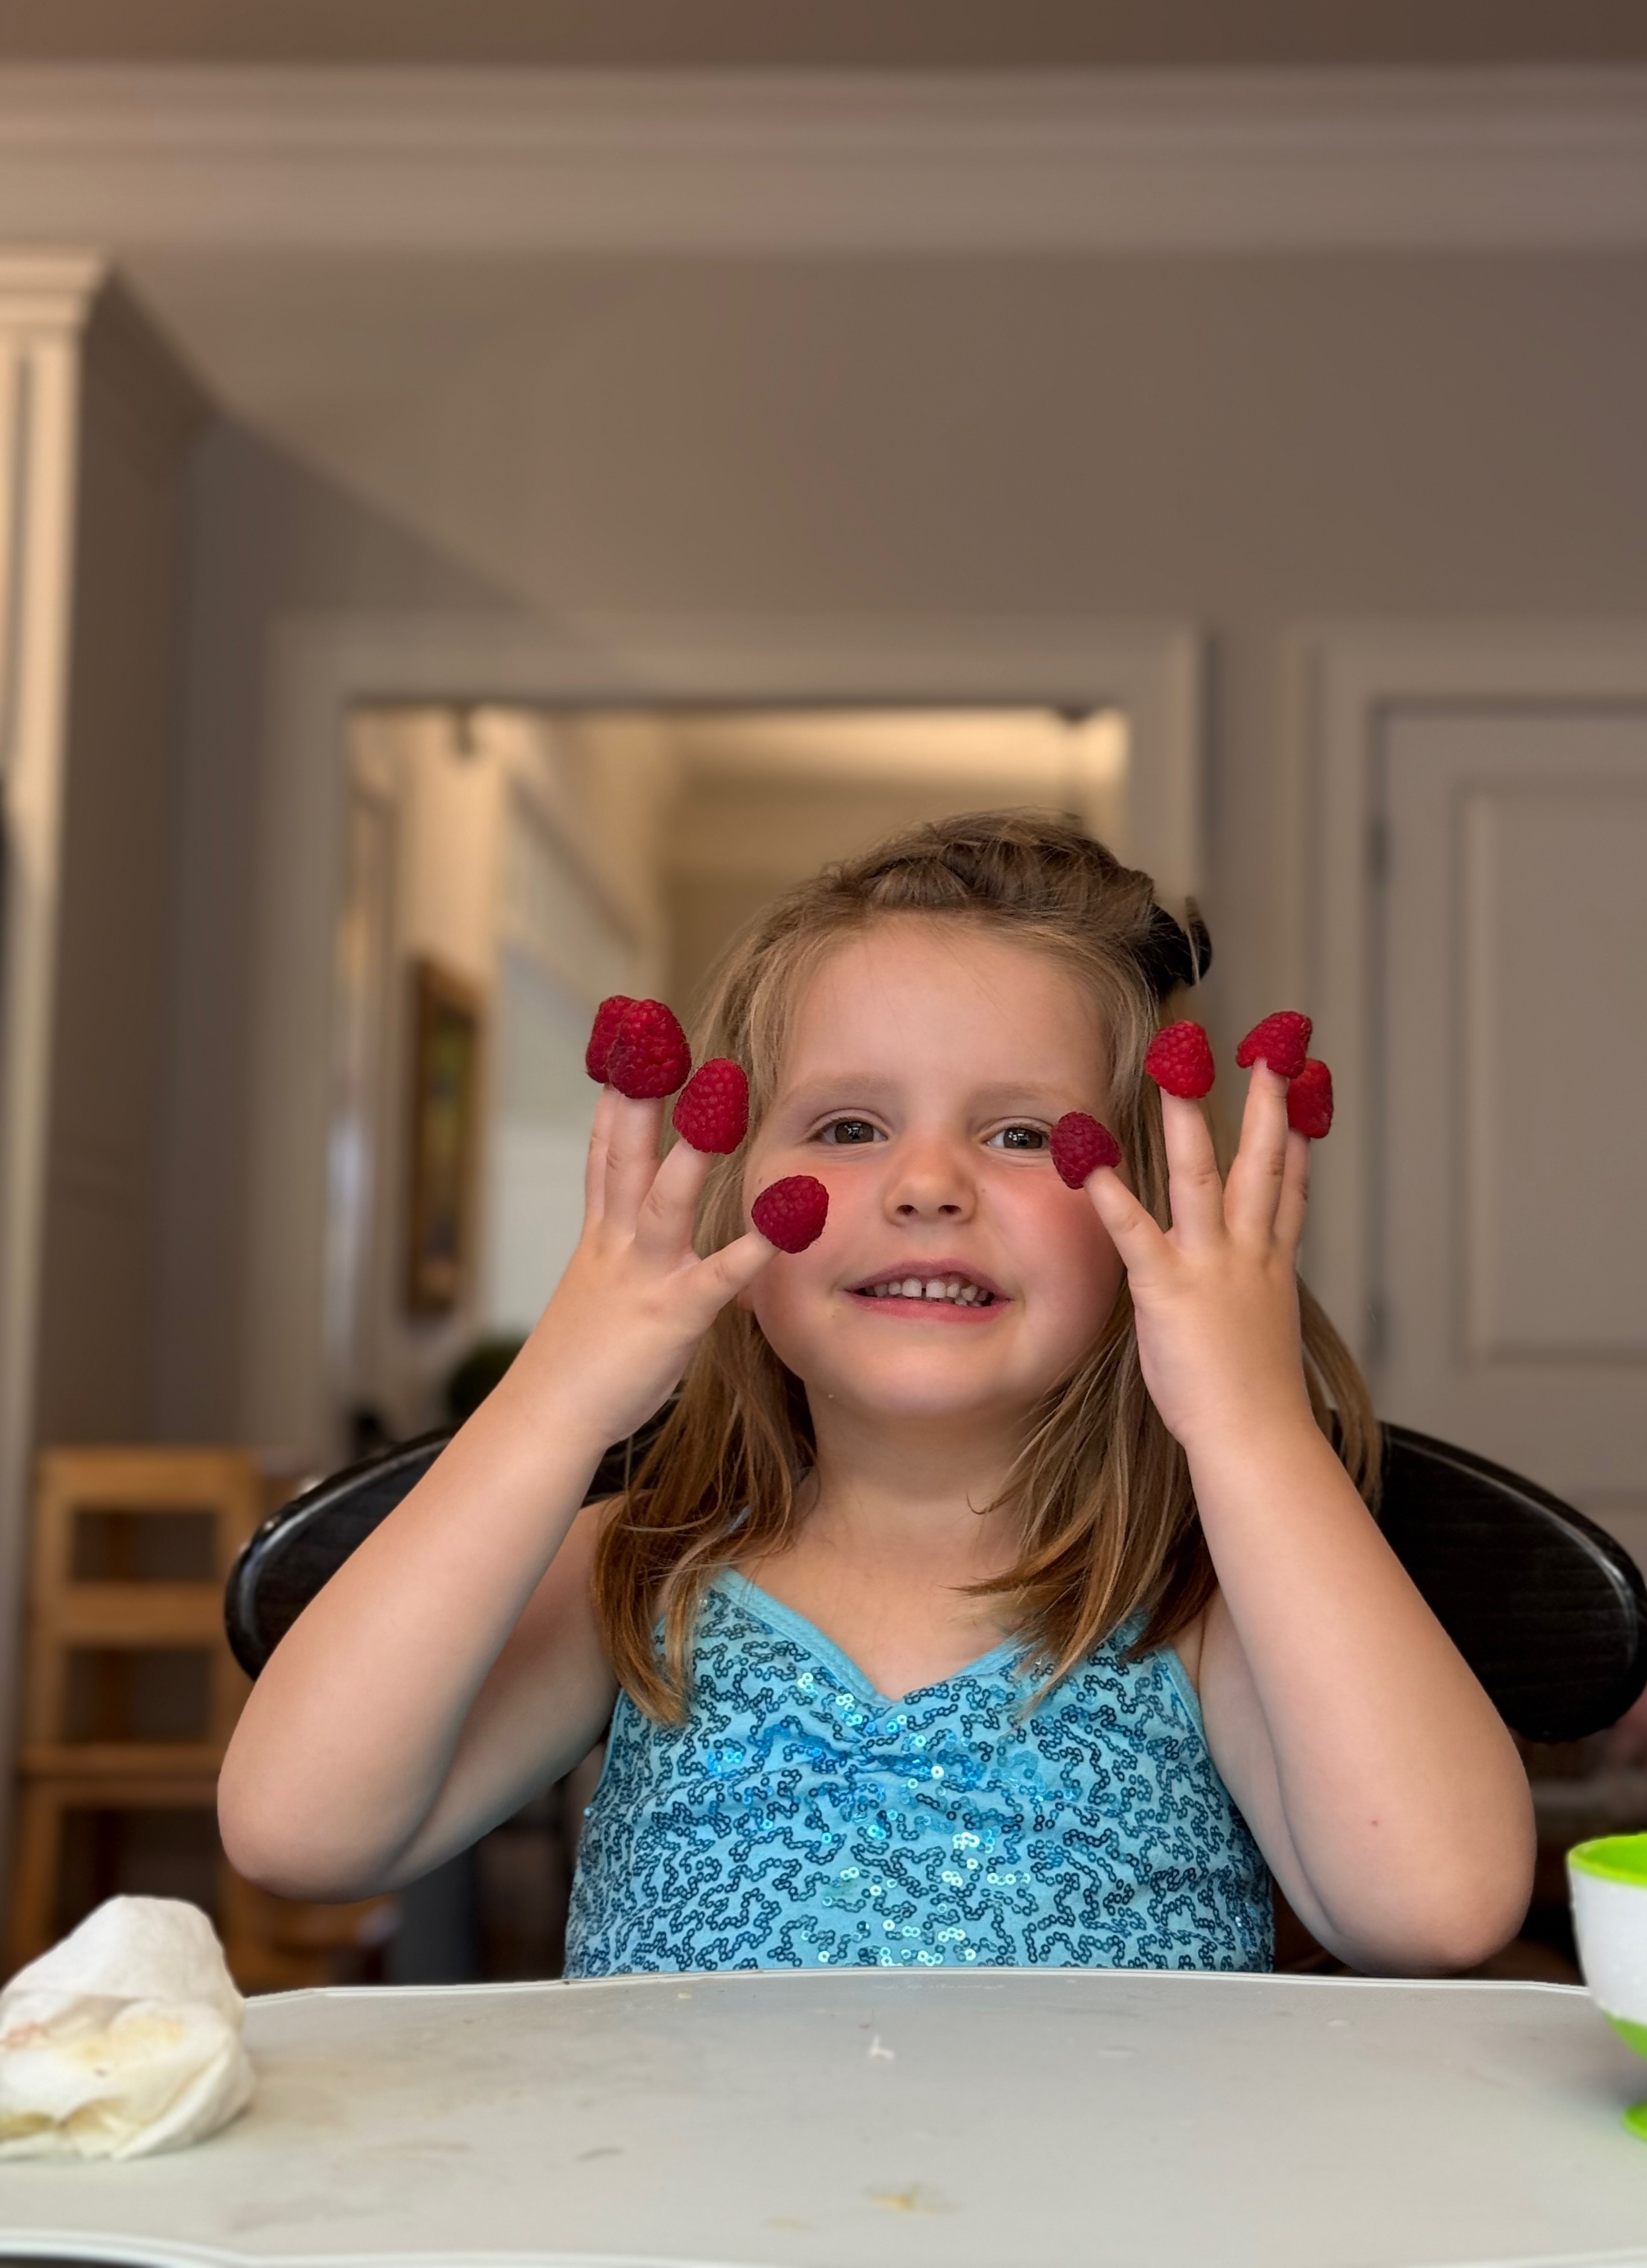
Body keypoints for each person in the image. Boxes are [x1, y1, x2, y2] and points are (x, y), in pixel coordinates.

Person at [220, 813, 1533, 1975]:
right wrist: (557, 1396)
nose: (926, 1183)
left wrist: (1249, 1421)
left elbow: (1439, 1908)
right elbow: (295, 1832)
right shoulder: (638, 1577)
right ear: (737, 1199)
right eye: (848, 1128)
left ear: (1153, 1210)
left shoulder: (1204, 1607)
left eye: (1021, 1134)